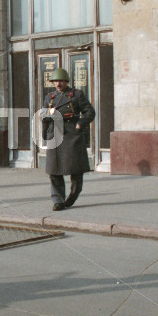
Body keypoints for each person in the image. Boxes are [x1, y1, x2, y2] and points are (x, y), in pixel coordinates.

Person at [42, 68, 96, 211]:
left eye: (61, 81)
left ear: (66, 81)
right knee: (54, 170)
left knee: (76, 169)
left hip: (72, 133)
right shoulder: (50, 97)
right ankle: (58, 201)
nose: (58, 84)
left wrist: (80, 124)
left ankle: (72, 197)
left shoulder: (77, 95)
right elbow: (44, 117)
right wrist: (47, 117)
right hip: (55, 134)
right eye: (55, 81)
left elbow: (90, 112)